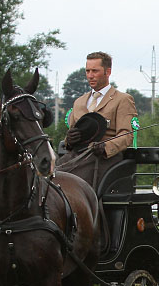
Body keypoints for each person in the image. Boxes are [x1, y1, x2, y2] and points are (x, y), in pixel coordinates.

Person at [57, 52, 139, 191]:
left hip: (104, 159)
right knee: (51, 172)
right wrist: (69, 140)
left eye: (95, 71)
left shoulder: (122, 100)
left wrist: (105, 147)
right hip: (77, 155)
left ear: (108, 72)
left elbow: (126, 135)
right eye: (87, 71)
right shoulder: (79, 102)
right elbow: (70, 135)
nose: (90, 75)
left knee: (73, 179)